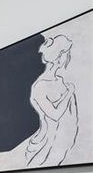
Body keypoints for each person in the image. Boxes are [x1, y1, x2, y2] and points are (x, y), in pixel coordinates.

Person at [25, 34, 79, 166]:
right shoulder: (40, 86)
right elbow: (55, 115)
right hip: (46, 146)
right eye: (66, 53)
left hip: (64, 143)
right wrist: (69, 93)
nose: (69, 57)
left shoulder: (61, 81)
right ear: (59, 57)